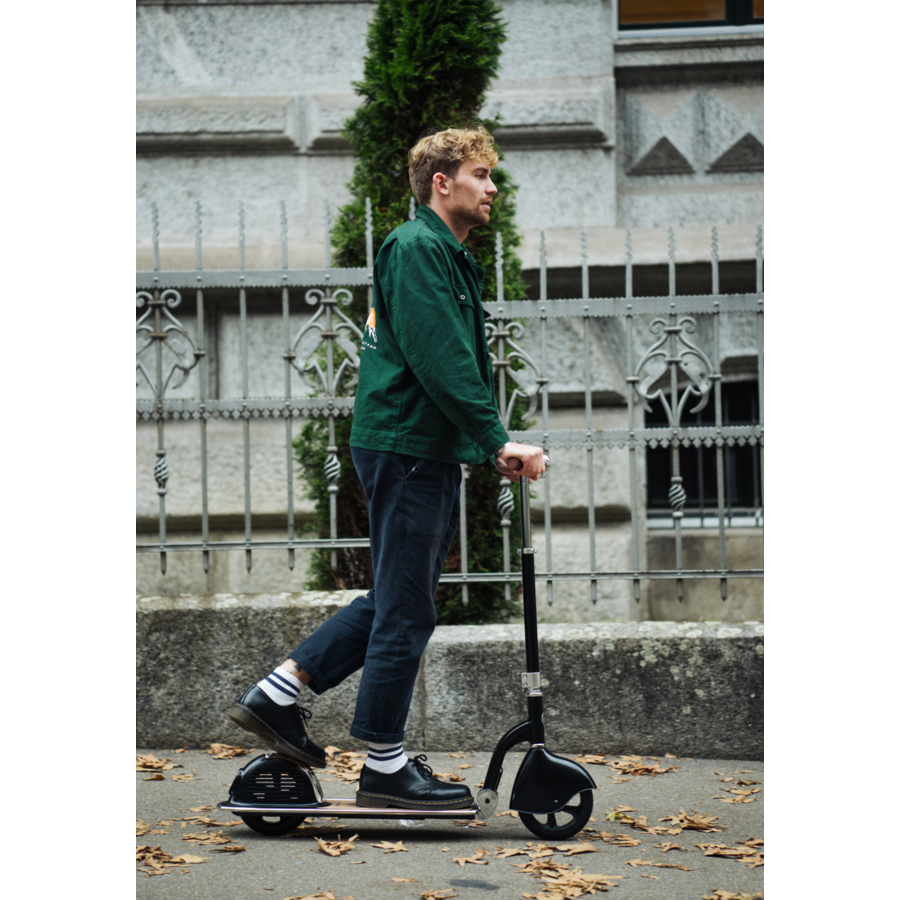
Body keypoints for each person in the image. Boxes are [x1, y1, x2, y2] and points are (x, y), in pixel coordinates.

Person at [228, 125, 546, 810]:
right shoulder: (416, 249)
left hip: (415, 447)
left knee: (395, 601)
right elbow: (443, 360)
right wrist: (497, 441)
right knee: (406, 610)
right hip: (405, 448)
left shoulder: (445, 254)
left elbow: (447, 356)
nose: (493, 188)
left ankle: (277, 694)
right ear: (443, 182)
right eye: (482, 175)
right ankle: (384, 766)